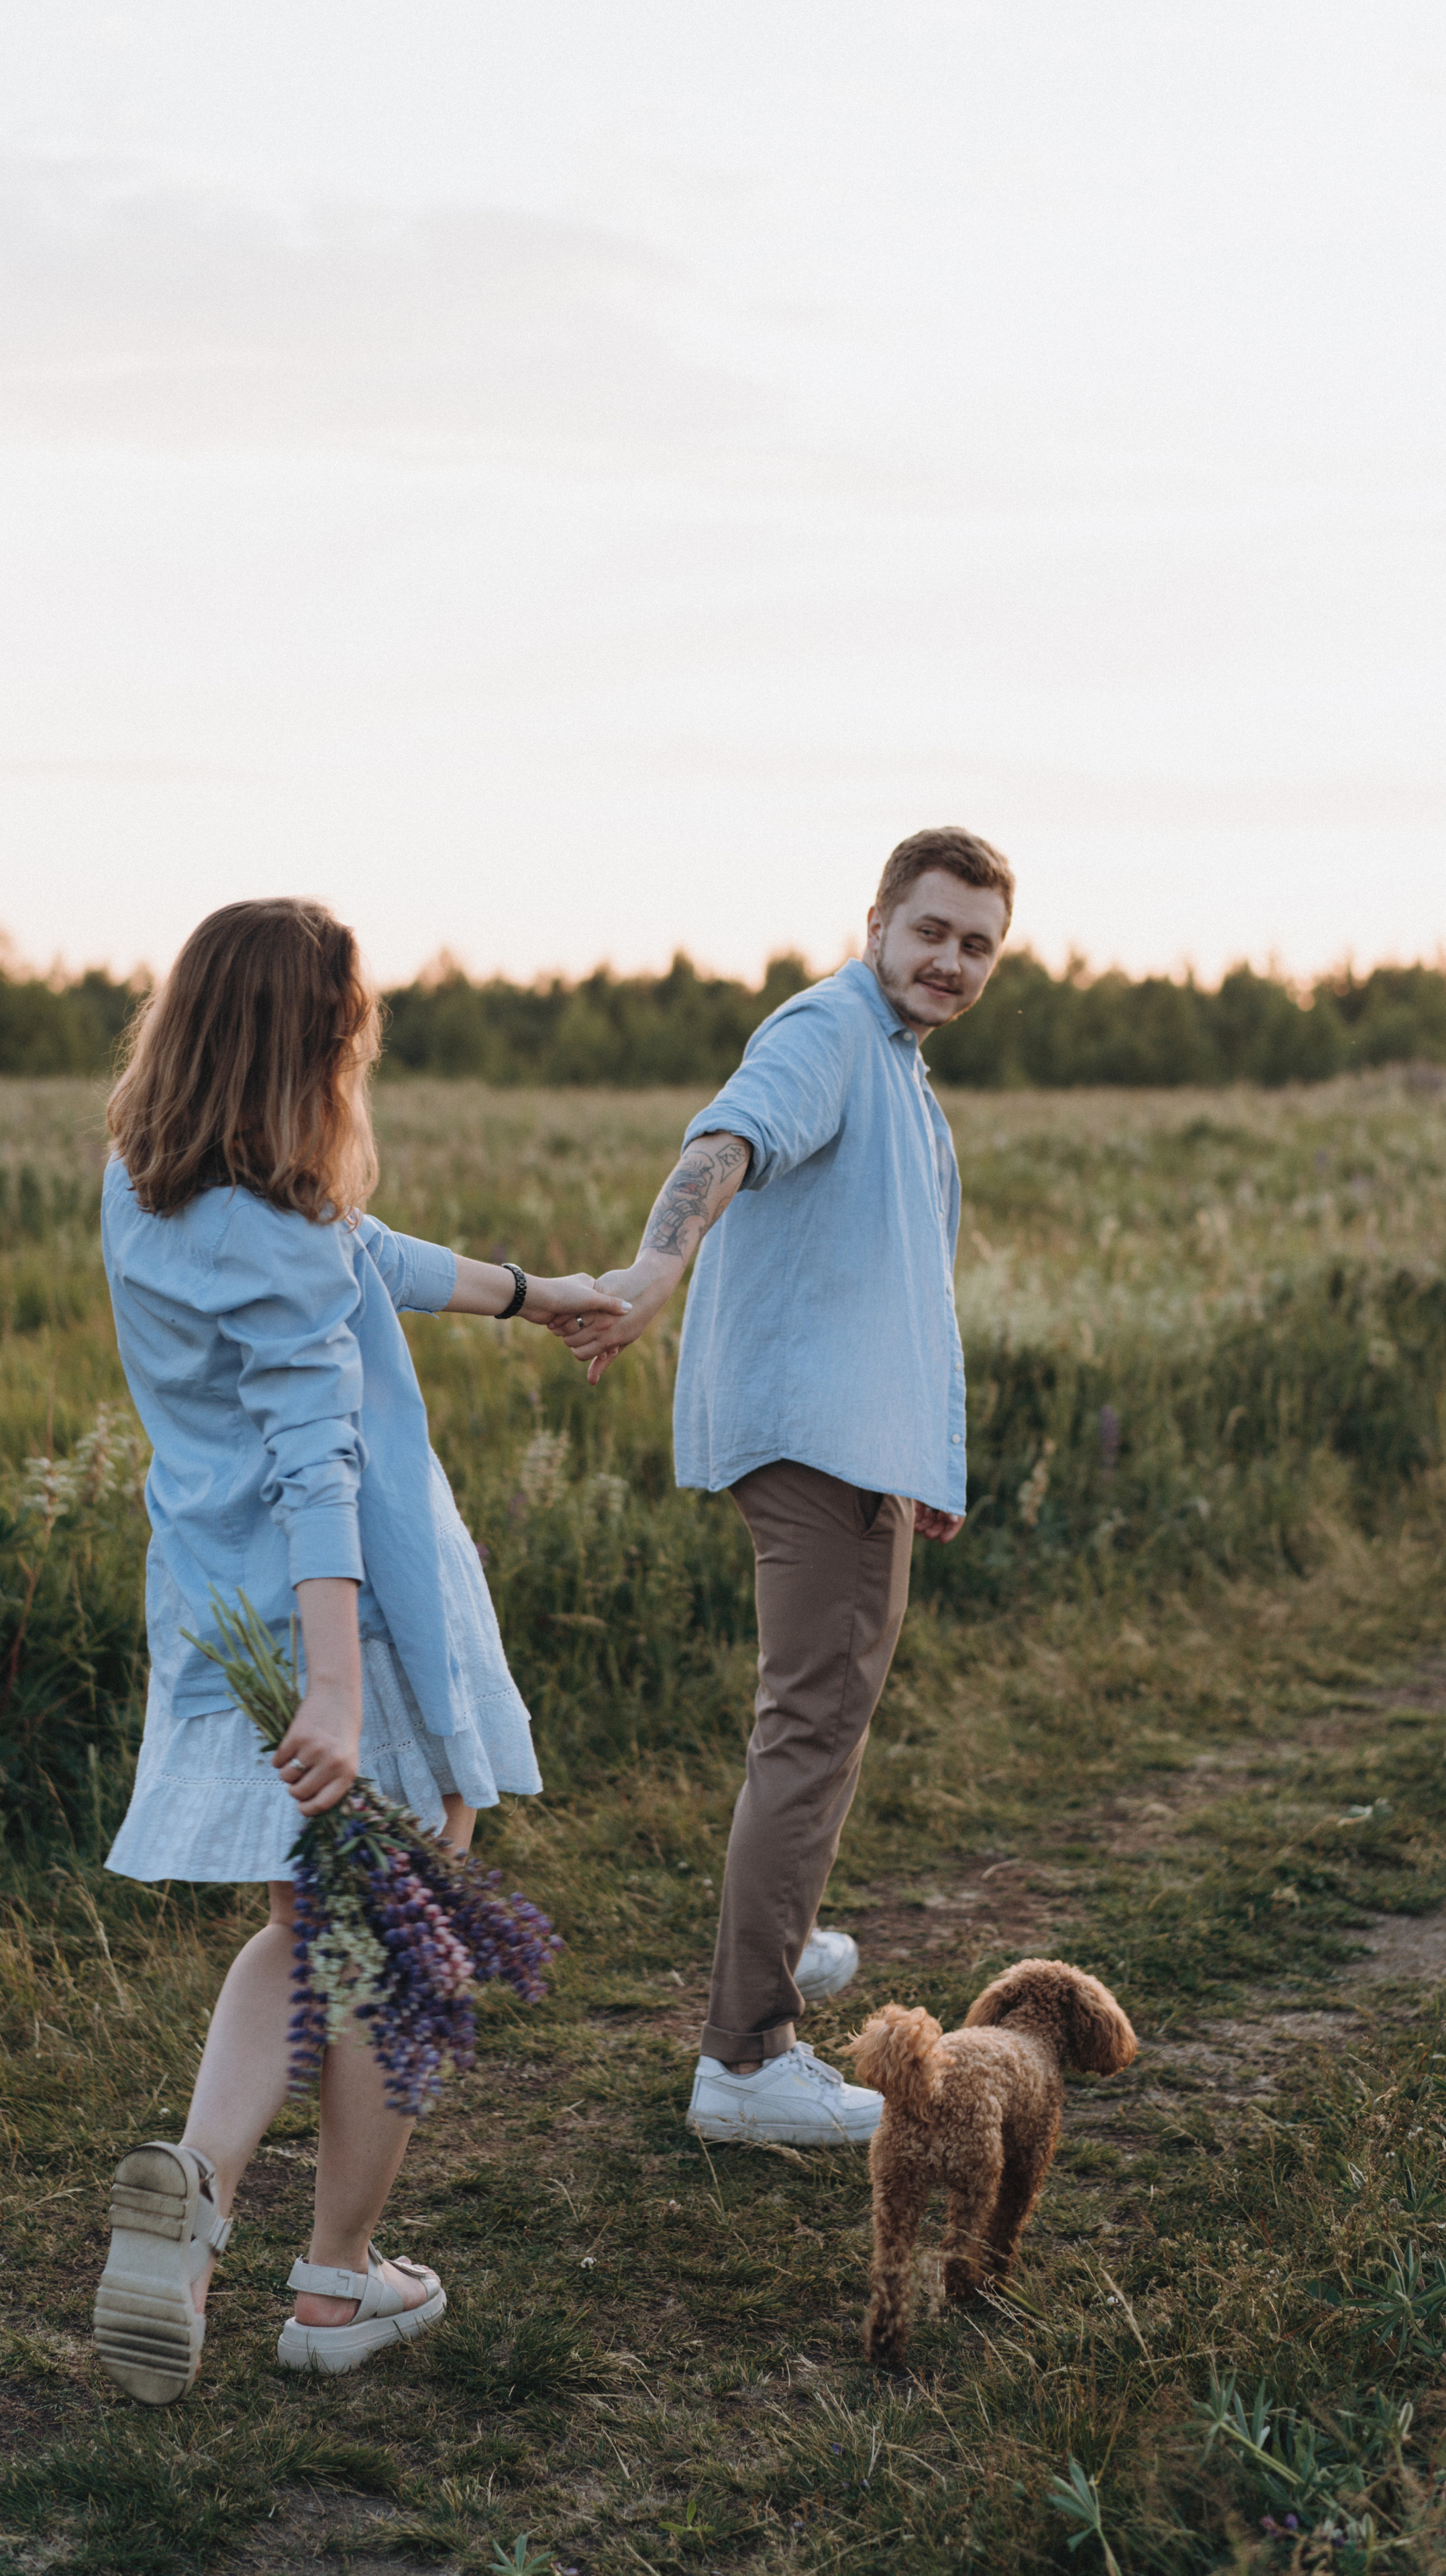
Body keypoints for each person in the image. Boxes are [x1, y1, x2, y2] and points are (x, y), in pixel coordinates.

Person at [91, 898, 628, 2405]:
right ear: (317, 1045)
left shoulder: (155, 1193)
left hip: (212, 1610)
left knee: (303, 1921)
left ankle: (192, 2198)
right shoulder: (273, 1241)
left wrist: (532, 1296)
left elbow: (356, 1251)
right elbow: (314, 1462)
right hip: (339, 1623)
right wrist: (340, 1688)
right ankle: (336, 2282)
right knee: (394, 1941)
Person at [557, 826, 1013, 2145]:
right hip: (819, 1445)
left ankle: (784, 1931)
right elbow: (724, 1146)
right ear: (874, 921)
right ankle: (745, 2063)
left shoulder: (891, 1063)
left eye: (976, 944)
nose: (950, 961)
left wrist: (928, 1450)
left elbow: (891, 1281)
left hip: (858, 1439)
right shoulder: (824, 1034)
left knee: (815, 1717)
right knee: (811, 1730)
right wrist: (652, 1272)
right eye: (930, 931)